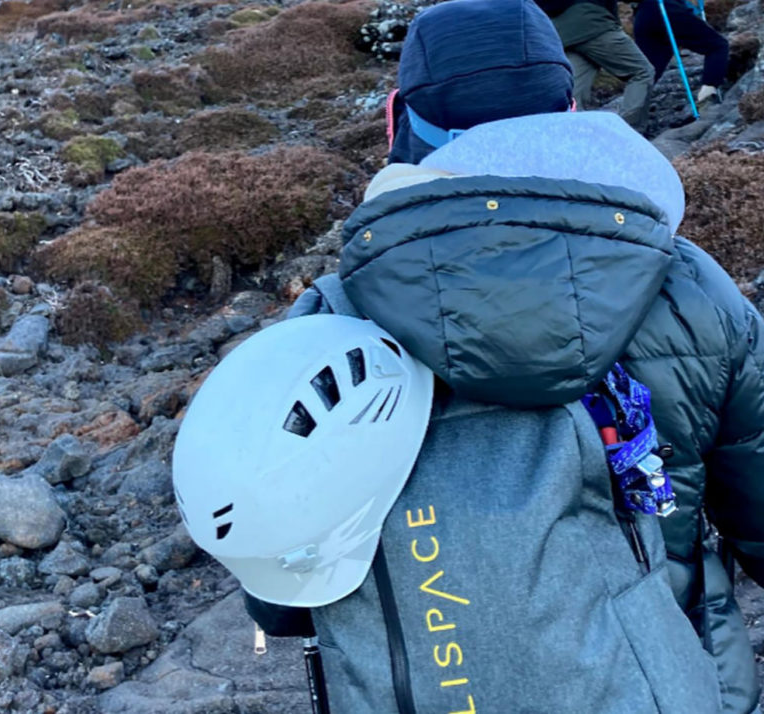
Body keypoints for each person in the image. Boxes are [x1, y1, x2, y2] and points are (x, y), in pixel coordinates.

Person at [292, 0, 764, 710]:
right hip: (680, 681)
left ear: (397, 122)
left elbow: (282, 593)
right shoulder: (687, 285)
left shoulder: (331, 321)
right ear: (571, 111)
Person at [534, 0, 655, 130]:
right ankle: (629, 131)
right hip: (593, 22)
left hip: (560, 32)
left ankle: (573, 135)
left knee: (574, 89)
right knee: (641, 71)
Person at [634, 0, 730, 105]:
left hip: (643, 12)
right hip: (667, 8)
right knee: (718, 46)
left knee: (647, 73)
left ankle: (628, 115)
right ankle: (707, 93)